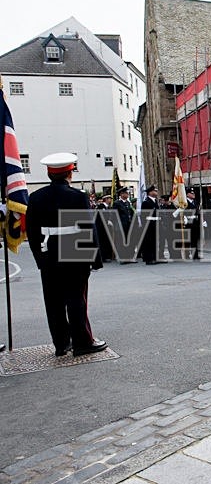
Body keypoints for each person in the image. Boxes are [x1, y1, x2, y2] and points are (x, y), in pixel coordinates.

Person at [27, 153, 107, 357]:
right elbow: (88, 228)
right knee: (77, 300)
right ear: (69, 173)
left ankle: (61, 344)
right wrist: (95, 260)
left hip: (48, 253)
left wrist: (39, 259)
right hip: (75, 252)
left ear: (48, 173)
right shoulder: (78, 196)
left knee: (53, 301)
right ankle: (82, 343)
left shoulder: (36, 197)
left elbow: (32, 231)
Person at [113, 188, 136, 263]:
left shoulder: (128, 203)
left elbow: (130, 214)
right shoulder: (117, 203)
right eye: (126, 193)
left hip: (129, 225)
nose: (127, 194)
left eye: (127, 193)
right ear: (121, 194)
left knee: (130, 241)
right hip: (121, 225)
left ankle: (130, 257)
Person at [140, 185, 161, 264]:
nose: (156, 192)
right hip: (149, 225)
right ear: (150, 192)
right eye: (154, 191)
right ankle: (149, 259)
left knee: (155, 241)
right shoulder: (146, 202)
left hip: (155, 224)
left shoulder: (155, 201)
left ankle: (155, 258)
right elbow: (144, 216)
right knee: (149, 242)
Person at [95, 194, 114, 262]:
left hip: (107, 228)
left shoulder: (108, 207)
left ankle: (107, 256)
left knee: (107, 242)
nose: (110, 200)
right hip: (101, 228)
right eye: (109, 199)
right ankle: (103, 257)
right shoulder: (100, 206)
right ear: (106, 199)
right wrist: (107, 221)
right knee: (103, 242)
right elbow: (101, 217)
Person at [185, 189, 201, 260]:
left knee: (195, 239)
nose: (193, 194)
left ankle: (195, 254)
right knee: (189, 240)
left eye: (193, 193)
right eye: (191, 193)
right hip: (188, 223)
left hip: (196, 222)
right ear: (187, 194)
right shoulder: (185, 202)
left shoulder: (195, 202)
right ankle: (187, 254)